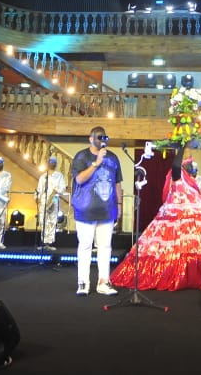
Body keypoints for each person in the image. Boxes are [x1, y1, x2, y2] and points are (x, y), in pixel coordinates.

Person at [110, 142, 201, 291]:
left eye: (191, 162)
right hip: (176, 213)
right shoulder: (177, 175)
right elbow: (176, 165)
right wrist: (181, 146)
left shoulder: (192, 181)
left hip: (194, 211)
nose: (191, 165)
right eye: (188, 162)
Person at [70, 126, 123, 296]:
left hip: (107, 210)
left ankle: (103, 282)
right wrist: (96, 163)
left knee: (105, 247)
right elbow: (79, 179)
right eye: (98, 137)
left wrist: (119, 205)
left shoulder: (113, 157)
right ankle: (83, 283)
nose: (101, 140)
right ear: (90, 139)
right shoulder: (81, 156)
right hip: (85, 211)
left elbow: (117, 184)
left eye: (103, 137)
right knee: (85, 246)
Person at [36, 156, 67, 249]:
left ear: (56, 164)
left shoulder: (59, 176)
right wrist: (37, 197)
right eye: (50, 162)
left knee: (52, 221)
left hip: (54, 199)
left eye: (54, 162)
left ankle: (49, 243)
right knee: (43, 221)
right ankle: (44, 242)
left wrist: (55, 192)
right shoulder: (43, 176)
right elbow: (39, 189)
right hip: (44, 199)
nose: (52, 164)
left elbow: (62, 188)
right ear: (47, 163)